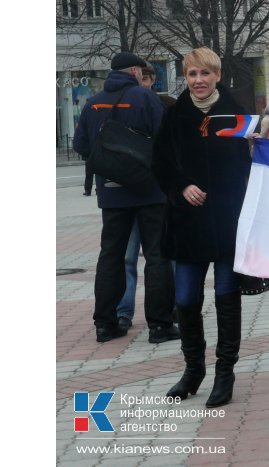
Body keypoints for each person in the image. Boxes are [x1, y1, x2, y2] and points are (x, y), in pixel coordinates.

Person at [152, 47, 252, 408]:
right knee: (185, 300)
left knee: (226, 297)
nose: (198, 81)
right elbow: (160, 163)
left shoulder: (237, 115)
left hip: (226, 222)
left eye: (204, 74)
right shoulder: (175, 115)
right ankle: (193, 370)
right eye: (192, 74)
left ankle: (225, 373)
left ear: (217, 76)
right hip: (187, 224)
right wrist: (181, 185)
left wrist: (257, 149)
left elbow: (250, 169)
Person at [73, 51, 180, 343]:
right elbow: (165, 142)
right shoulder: (146, 99)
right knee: (157, 256)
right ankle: (160, 325)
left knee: (111, 256)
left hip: (111, 194)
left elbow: (81, 145)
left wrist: (111, 170)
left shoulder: (93, 104)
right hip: (150, 191)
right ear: (134, 71)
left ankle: (106, 324)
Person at [114, 61, 179, 334]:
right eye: (144, 77)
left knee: (163, 256)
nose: (146, 82)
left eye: (151, 78)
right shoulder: (122, 104)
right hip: (130, 191)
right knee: (128, 257)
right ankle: (124, 311)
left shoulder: (164, 103)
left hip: (154, 191)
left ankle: (170, 305)